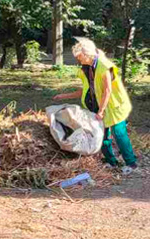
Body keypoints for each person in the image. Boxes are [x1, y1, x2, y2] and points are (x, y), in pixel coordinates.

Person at [53, 38, 137, 173]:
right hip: (97, 105)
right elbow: (85, 90)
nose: (79, 60)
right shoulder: (86, 68)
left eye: (80, 57)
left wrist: (101, 111)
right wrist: (63, 96)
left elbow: (107, 90)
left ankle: (131, 163)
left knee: (119, 133)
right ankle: (111, 162)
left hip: (114, 106)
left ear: (87, 54)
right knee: (101, 135)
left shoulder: (104, 66)